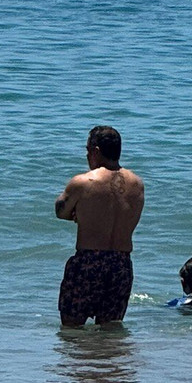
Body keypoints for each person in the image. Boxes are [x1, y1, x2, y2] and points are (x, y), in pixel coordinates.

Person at [55, 126, 145, 327]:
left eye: (87, 150)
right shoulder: (137, 184)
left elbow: (61, 211)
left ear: (95, 151)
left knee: (72, 330)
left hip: (89, 262)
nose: (87, 155)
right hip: (121, 264)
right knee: (110, 331)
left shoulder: (83, 182)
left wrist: (83, 214)